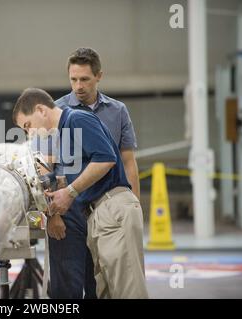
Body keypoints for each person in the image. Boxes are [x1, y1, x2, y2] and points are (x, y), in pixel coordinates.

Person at [14, 88, 148, 299]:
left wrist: (70, 192)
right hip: (96, 213)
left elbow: (106, 158)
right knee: (105, 290)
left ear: (41, 110)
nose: (30, 134)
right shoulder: (65, 132)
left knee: (127, 290)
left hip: (112, 207)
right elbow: (68, 174)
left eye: (28, 125)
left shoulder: (77, 118)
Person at [37, 48, 141, 298]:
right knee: (66, 288)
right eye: (73, 79)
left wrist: (133, 210)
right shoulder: (56, 111)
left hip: (105, 210)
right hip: (67, 211)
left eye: (84, 79)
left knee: (102, 284)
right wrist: (52, 215)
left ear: (99, 76)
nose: (78, 86)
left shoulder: (117, 111)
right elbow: (45, 168)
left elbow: (128, 163)